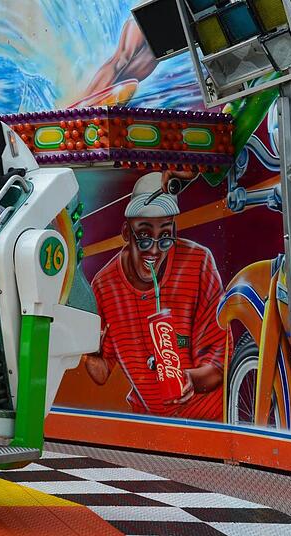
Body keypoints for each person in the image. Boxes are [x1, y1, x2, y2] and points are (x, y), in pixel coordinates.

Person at [83, 173, 225, 421]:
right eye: (145, 236)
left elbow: (219, 362)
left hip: (206, 421)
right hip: (150, 423)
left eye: (165, 236)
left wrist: (190, 380)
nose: (155, 249)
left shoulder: (198, 262)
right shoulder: (105, 285)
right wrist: (90, 352)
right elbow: (101, 373)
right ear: (127, 232)